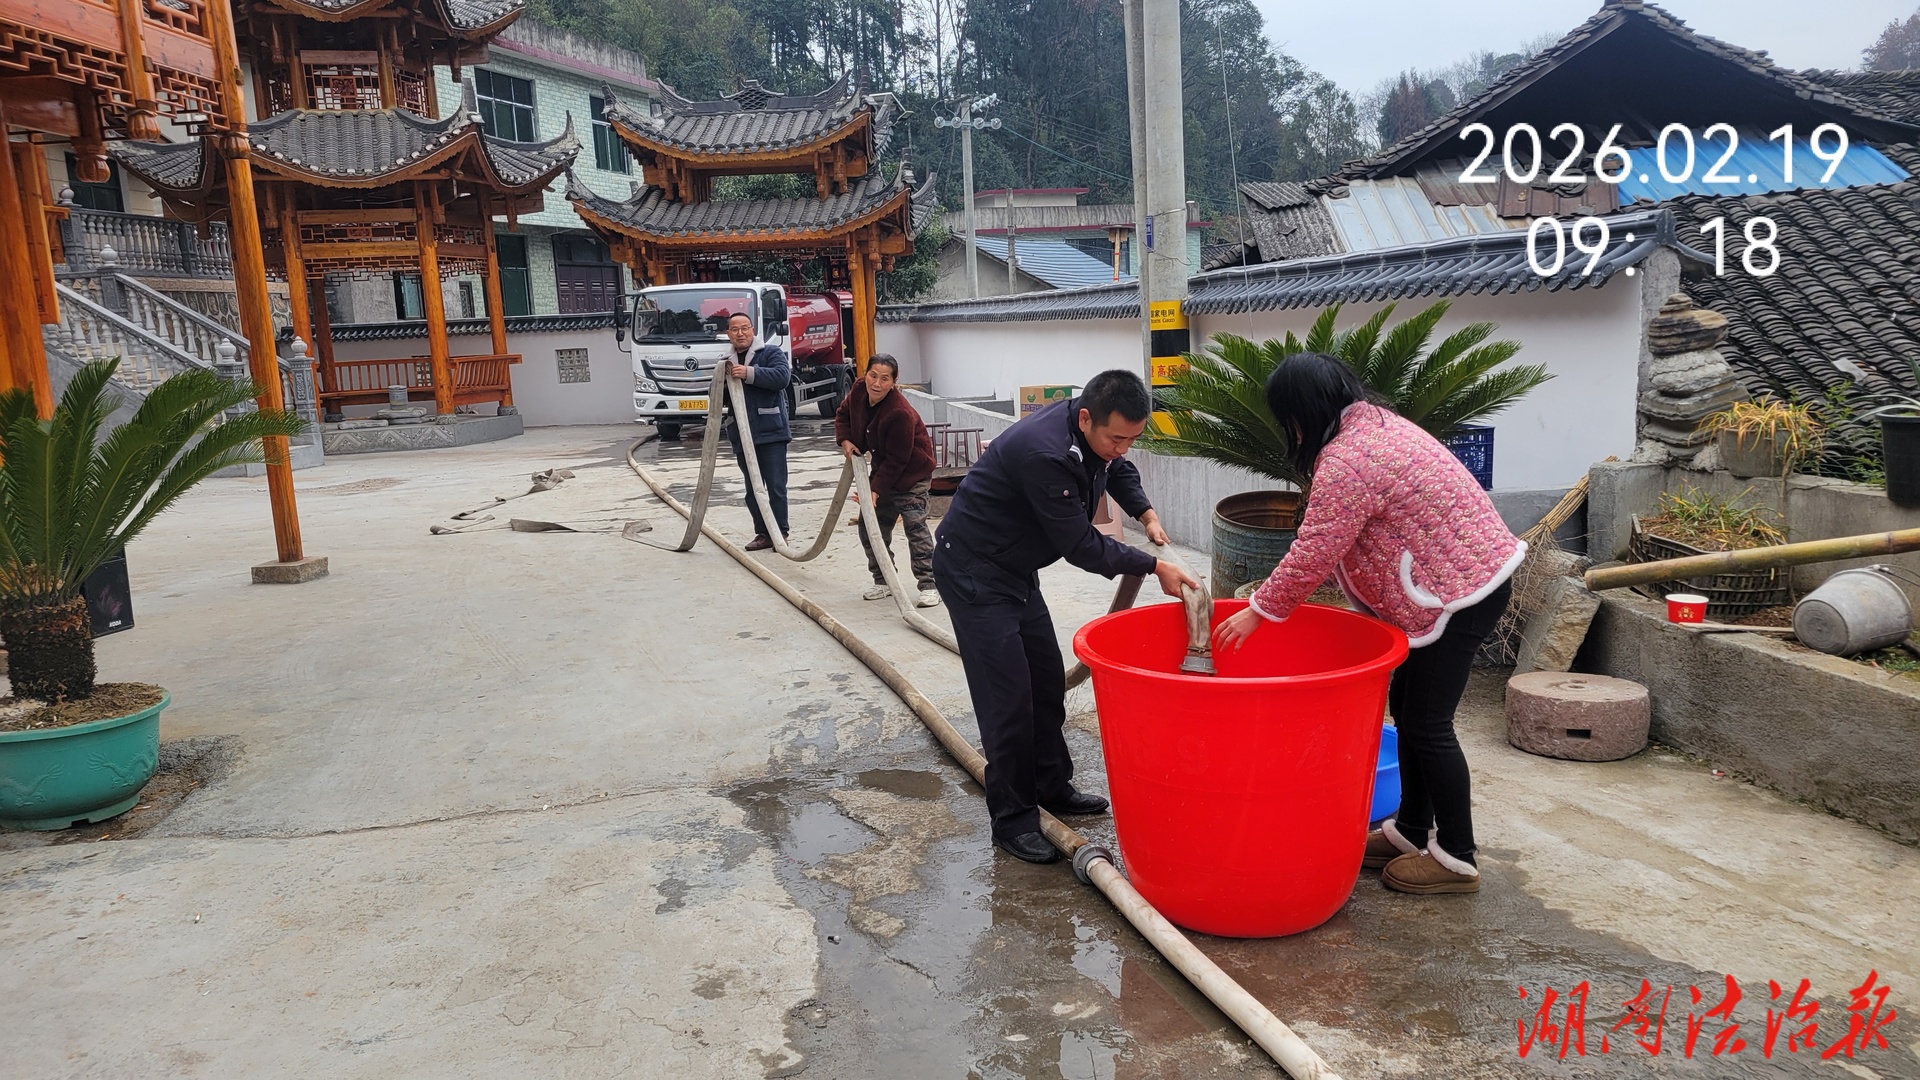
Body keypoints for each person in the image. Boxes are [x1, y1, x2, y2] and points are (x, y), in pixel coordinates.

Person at [1211, 353, 1523, 896]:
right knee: (1408, 710)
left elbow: (1314, 549)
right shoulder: (1379, 425)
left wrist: (1259, 611)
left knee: (1429, 724)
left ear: (1300, 414)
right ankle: (1408, 830)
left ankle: (1457, 858)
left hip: (1459, 594)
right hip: (1458, 582)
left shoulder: (1349, 460)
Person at [935, 369, 1199, 863]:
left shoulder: (1098, 434)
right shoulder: (1044, 452)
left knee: (1044, 682)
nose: (1123, 448)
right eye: (1116, 437)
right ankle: (1012, 820)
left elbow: (1116, 468)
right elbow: (1079, 544)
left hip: (1014, 568)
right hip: (975, 572)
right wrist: (1152, 566)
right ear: (1085, 418)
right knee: (1008, 699)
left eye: (1132, 439)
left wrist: (1146, 515)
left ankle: (1052, 787)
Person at [834, 353, 941, 608]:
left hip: (912, 474)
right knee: (870, 528)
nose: (877, 383)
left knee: (915, 527)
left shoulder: (899, 413)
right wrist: (845, 440)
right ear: (865, 374)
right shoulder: (859, 390)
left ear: (894, 382)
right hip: (884, 469)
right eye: (873, 375)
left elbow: (898, 461)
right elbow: (842, 415)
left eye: (885, 379)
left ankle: (929, 585)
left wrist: (874, 490)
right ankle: (883, 580)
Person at [721, 311, 791, 551]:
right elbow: (719, 397)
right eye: (735, 329)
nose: (740, 333)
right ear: (728, 334)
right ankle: (762, 533)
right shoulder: (725, 361)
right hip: (742, 433)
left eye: (745, 328)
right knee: (753, 488)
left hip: (771, 431)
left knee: (776, 485)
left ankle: (780, 532)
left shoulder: (770, 353)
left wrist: (749, 373)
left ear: (753, 330)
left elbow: (783, 377)